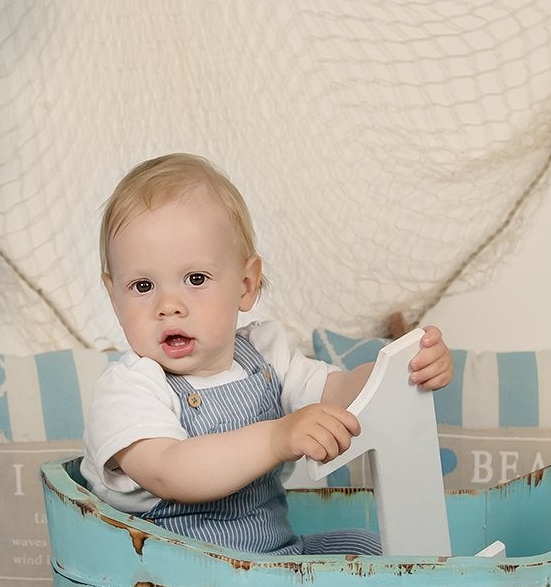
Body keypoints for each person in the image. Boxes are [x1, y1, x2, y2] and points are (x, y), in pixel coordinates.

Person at [81, 153, 452, 556]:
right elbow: (170, 471)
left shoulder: (265, 356)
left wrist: (403, 371)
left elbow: (340, 391)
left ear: (246, 285)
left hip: (274, 560)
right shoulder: (130, 389)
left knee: (374, 551)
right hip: (186, 577)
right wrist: (277, 438)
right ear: (113, 295)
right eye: (142, 286)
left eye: (196, 279)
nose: (168, 305)